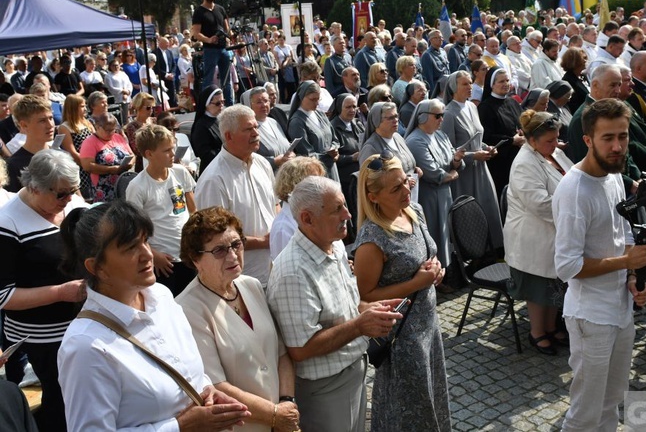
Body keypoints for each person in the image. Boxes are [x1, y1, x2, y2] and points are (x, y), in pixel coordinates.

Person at [57, 200, 251, 431]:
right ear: (97, 267)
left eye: (145, 241)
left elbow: (187, 375)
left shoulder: (161, 297)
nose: (147, 255)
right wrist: (180, 427)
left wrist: (208, 393)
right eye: (130, 248)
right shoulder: (85, 346)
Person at [266, 176, 403, 432]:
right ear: (307, 219)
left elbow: (343, 306)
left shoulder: (335, 244)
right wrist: (360, 326)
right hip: (325, 389)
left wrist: (367, 310)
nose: (348, 215)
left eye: (344, 205)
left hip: (352, 372)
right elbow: (300, 348)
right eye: (336, 210)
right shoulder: (293, 272)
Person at [552, 99, 646, 431]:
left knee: (612, 402)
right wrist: (625, 261)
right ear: (587, 140)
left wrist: (633, 278)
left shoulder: (613, 175)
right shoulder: (574, 190)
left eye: (622, 137)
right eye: (608, 138)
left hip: (620, 308)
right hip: (590, 316)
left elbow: (621, 230)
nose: (617, 146)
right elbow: (567, 266)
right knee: (586, 412)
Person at [177, 207, 300, 432]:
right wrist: (273, 414)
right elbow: (216, 385)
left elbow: (281, 353)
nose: (233, 255)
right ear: (195, 259)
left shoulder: (251, 285)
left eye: (236, 244)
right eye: (220, 250)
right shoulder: (187, 309)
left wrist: (287, 401)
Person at [353, 152, 451, 431]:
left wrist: (436, 270)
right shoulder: (373, 238)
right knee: (408, 408)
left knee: (433, 397)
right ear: (373, 197)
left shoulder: (414, 211)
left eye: (405, 181)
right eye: (395, 188)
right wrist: (416, 283)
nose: (407, 189)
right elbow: (364, 294)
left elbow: (425, 257)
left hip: (428, 325)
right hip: (401, 337)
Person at [0, 149, 88, 431]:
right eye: (61, 194)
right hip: (42, 342)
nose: (69, 199)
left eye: (73, 190)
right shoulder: (7, 222)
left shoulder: (68, 203)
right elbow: (4, 297)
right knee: (60, 408)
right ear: (34, 187)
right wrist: (61, 293)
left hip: (78, 328)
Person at [505, 110, 573, 356]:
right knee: (538, 285)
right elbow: (540, 203)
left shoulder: (554, 153)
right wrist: (573, 211)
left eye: (556, 138)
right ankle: (537, 332)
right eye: (550, 140)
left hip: (555, 232)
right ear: (531, 140)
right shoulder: (524, 164)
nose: (556, 144)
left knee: (556, 282)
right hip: (533, 236)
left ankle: (551, 326)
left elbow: (573, 176)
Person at [194, 105, 277, 286]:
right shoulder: (214, 179)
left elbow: (275, 204)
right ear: (229, 136)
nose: (256, 133)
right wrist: (262, 242)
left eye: (256, 127)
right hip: (244, 280)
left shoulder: (262, 164)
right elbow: (215, 236)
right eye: (248, 129)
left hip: (276, 269)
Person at [126, 124, 196, 296]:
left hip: (188, 254)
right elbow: (134, 230)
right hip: (163, 262)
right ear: (149, 154)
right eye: (166, 151)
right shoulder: (137, 187)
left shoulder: (180, 173)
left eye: (173, 148)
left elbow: (193, 210)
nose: (173, 154)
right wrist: (153, 254)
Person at [441, 71, 502, 248]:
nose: (469, 87)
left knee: (488, 208)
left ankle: (492, 251)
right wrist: (473, 155)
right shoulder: (449, 113)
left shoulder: (472, 107)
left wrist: (487, 148)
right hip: (465, 173)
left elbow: (476, 139)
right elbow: (448, 150)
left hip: (481, 169)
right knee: (471, 218)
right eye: (465, 84)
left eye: (470, 83)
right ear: (454, 87)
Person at [405, 99, 465, 274]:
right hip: (430, 197)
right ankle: (436, 273)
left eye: (443, 115)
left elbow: (451, 160)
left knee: (446, 233)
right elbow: (433, 173)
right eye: (437, 115)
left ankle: (447, 270)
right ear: (423, 117)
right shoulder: (415, 140)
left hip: (445, 193)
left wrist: (456, 160)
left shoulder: (440, 135)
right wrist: (449, 174)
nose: (442, 119)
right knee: (435, 234)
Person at [477, 67, 524, 202]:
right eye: (501, 81)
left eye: (507, 80)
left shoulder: (513, 102)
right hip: (500, 162)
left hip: (518, 158)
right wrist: (510, 141)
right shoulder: (485, 107)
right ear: (491, 85)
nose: (505, 84)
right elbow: (486, 136)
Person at [269, 157, 327, 260]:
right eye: (315, 181)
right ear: (295, 185)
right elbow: (288, 271)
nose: (323, 186)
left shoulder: (316, 213)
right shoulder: (283, 228)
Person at [287, 81, 340, 182]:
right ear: (301, 97)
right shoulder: (297, 122)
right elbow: (306, 154)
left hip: (332, 167)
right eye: (312, 99)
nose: (317, 103)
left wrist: (335, 149)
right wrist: (327, 155)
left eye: (318, 99)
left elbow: (334, 139)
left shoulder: (321, 114)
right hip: (315, 172)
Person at [192, 0, 233, 104]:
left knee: (227, 79)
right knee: (208, 79)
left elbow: (227, 28)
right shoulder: (199, 12)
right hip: (210, 49)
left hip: (223, 49)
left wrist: (229, 36)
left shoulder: (220, 9)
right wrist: (208, 39)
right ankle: (207, 104)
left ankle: (229, 104)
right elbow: (196, 33)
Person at [79, 112, 135, 202]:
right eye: (107, 130)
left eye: (113, 129)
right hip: (104, 189)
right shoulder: (89, 142)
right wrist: (110, 169)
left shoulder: (118, 137)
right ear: (97, 127)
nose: (111, 133)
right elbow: (87, 166)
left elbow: (131, 154)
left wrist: (130, 163)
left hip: (123, 184)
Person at [5, 95, 55, 192]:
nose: (50, 125)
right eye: (42, 121)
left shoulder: (60, 155)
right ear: (24, 125)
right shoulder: (13, 166)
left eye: (51, 118)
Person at [247, 86, 294, 172]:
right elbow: (249, 159)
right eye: (259, 102)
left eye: (266, 101)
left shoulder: (274, 122)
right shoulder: (248, 129)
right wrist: (275, 161)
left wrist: (292, 154)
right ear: (250, 105)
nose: (264, 105)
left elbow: (286, 146)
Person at [330, 93, 364, 208]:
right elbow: (333, 156)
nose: (352, 110)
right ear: (340, 107)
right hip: (347, 180)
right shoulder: (333, 127)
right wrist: (351, 158)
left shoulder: (357, 124)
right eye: (348, 107)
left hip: (361, 176)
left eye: (354, 107)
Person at [58, 95, 94, 200]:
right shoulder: (64, 127)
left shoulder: (87, 123)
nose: (85, 109)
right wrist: (89, 166)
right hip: (81, 169)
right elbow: (72, 152)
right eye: (82, 106)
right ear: (73, 108)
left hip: (94, 165)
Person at [191, 85, 225, 173]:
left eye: (222, 102)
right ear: (207, 104)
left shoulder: (222, 118)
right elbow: (205, 153)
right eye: (217, 103)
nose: (221, 106)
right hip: (212, 170)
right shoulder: (201, 126)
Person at [155, 112, 200, 177]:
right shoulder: (154, 145)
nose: (172, 132)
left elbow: (194, 160)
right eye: (169, 129)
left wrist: (191, 168)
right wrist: (180, 168)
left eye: (175, 129)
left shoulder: (183, 137)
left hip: (187, 179)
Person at [123, 92, 156, 173]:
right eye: (148, 108)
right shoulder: (131, 127)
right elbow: (137, 149)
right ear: (138, 107)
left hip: (157, 161)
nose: (151, 110)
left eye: (152, 107)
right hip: (143, 166)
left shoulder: (155, 121)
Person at [560, 47, 590, 114]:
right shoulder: (568, 80)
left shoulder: (583, 76)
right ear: (574, 61)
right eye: (583, 58)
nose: (585, 61)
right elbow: (572, 105)